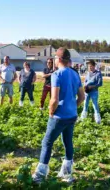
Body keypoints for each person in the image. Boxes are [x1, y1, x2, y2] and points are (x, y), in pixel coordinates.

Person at [32, 48, 85, 183]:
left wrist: (51, 112)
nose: (54, 60)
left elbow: (54, 99)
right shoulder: (75, 74)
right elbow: (82, 97)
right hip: (71, 116)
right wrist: (73, 107)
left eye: (55, 58)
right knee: (68, 143)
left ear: (59, 59)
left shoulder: (56, 75)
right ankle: (67, 174)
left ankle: (40, 174)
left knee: (47, 142)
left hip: (59, 117)